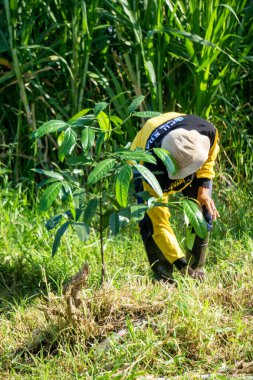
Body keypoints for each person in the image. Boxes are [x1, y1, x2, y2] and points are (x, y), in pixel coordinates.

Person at [131, 112, 220, 282]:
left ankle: (197, 272)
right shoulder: (150, 172)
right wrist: (182, 265)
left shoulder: (206, 131)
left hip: (181, 136)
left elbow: (209, 155)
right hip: (143, 150)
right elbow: (159, 226)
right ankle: (164, 278)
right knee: (149, 223)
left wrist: (204, 186)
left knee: (203, 209)